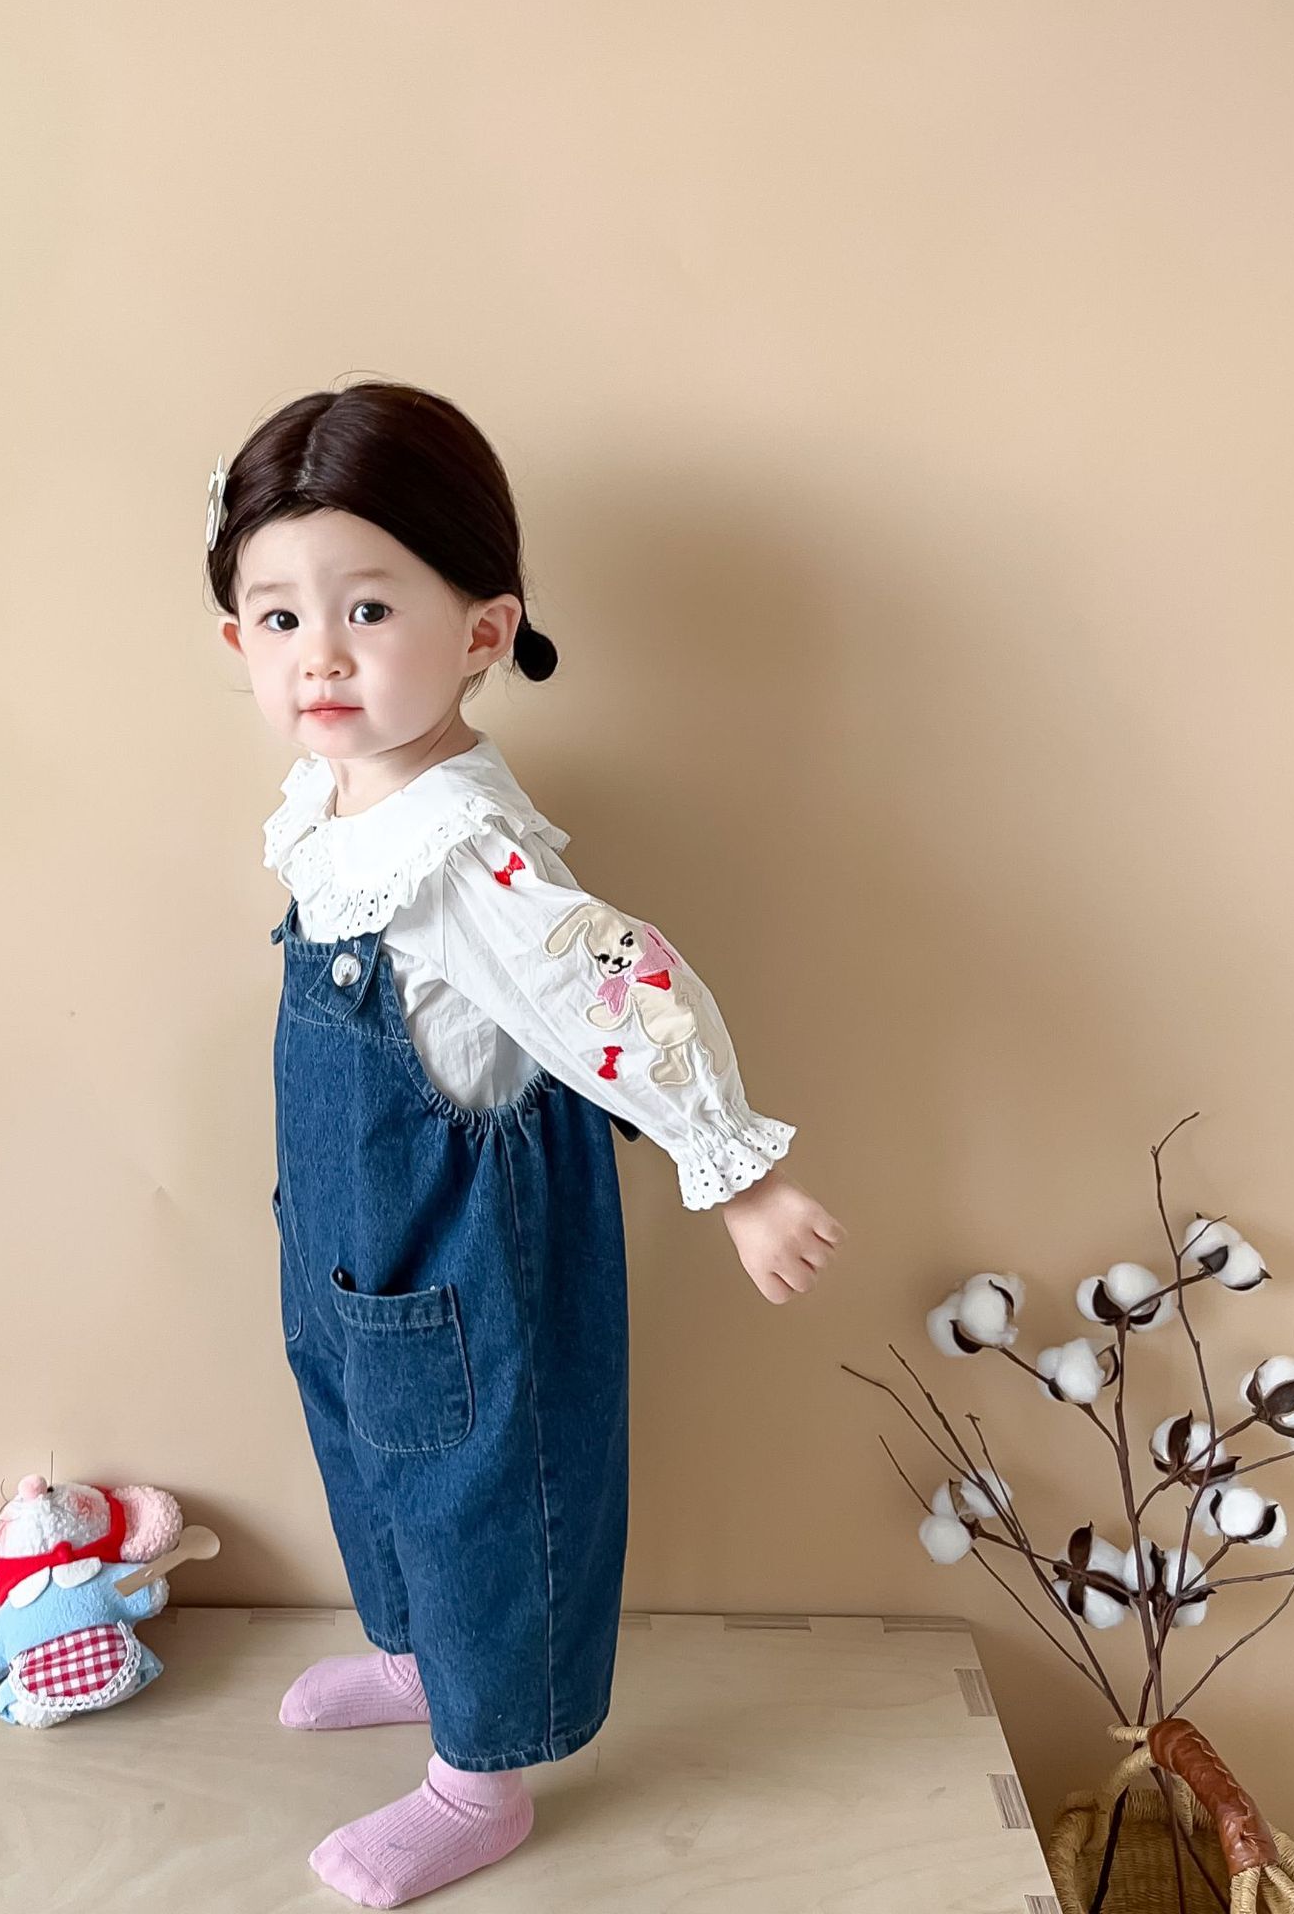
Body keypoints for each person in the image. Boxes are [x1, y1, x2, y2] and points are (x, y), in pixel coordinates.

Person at [211, 379, 846, 1908]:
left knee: (474, 1493)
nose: (322, 655)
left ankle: (479, 1778)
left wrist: (739, 1177)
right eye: (281, 617)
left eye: (369, 608)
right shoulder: (337, 814)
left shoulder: (464, 851)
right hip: (354, 1245)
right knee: (362, 1442)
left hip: (467, 1269)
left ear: (483, 631)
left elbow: (619, 989)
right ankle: (416, 1658)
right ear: (236, 643)